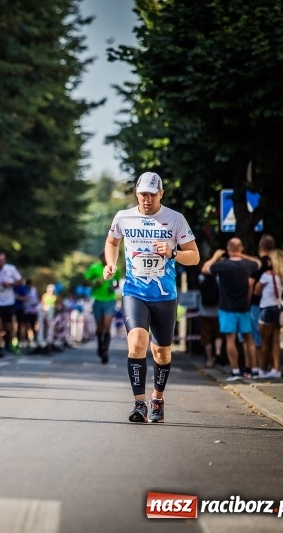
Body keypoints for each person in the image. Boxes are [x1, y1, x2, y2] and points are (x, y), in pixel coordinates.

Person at [104, 172, 199, 423]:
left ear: (161, 194)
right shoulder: (123, 217)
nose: (147, 199)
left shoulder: (175, 219)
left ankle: (157, 398)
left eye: (152, 195)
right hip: (134, 292)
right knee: (136, 343)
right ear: (136, 194)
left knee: (161, 353)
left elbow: (195, 256)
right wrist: (111, 264)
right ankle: (139, 404)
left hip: (165, 296)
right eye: (143, 194)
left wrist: (173, 252)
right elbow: (112, 242)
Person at [202, 238, 260, 381]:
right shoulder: (247, 265)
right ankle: (252, 370)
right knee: (249, 339)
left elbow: (205, 269)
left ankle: (235, 371)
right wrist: (242, 255)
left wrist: (215, 257)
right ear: (241, 249)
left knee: (230, 339)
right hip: (244, 308)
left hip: (227, 308)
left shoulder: (223, 265)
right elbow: (259, 263)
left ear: (228, 249)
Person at [253, 248, 283, 379]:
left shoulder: (266, 275)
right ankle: (276, 369)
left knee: (264, 342)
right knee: (275, 341)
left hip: (267, 309)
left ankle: (262, 369)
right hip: (278, 308)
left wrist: (258, 288)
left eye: (269, 259)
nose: (267, 261)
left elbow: (257, 291)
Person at [84, 251, 121, 363]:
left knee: (107, 324)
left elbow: (117, 284)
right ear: (100, 259)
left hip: (110, 300)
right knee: (99, 326)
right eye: (103, 258)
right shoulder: (94, 268)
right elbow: (85, 282)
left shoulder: (116, 269)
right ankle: (100, 345)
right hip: (97, 299)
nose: (105, 260)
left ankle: (105, 350)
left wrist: (113, 288)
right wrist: (95, 283)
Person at [247, 235, 276, 375]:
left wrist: (248, 299)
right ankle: (272, 367)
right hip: (276, 304)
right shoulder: (277, 264)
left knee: (257, 338)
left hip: (257, 304)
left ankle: (259, 367)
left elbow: (251, 283)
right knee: (272, 339)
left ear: (261, 246)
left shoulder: (259, 265)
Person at [0, 251, 22, 358]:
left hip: (8, 301)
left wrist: (10, 284)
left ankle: (10, 342)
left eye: (2, 260)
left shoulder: (11, 269)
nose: (0, 263)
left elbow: (20, 281)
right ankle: (0, 347)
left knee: (9, 326)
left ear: (5, 260)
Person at [197, 272, 223, 368]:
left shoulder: (201, 277)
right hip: (217, 311)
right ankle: (218, 352)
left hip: (204, 312)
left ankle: (209, 360)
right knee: (218, 335)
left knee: (206, 337)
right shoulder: (218, 278)